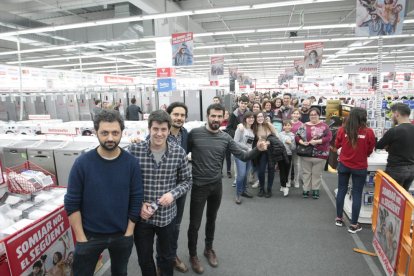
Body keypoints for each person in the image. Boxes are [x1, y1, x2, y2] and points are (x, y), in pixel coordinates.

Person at [187, 103, 267, 274]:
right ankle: (192, 255)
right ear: (207, 116)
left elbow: (244, 156)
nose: (216, 119)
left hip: (216, 186)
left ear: (223, 117)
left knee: (211, 219)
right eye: (213, 116)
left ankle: (208, 249)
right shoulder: (194, 134)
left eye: (219, 116)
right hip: (199, 187)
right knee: (194, 224)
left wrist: (258, 150)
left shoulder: (225, 138)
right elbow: (179, 155)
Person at [64, 109, 143, 276]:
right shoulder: (82, 163)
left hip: (121, 235)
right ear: (96, 133)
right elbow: (72, 202)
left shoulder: (131, 164)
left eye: (115, 133)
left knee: (120, 272)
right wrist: (81, 238)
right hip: (89, 236)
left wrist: (129, 232)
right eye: (104, 133)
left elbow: (136, 199)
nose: (110, 138)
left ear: (122, 132)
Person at [128, 110, 192, 276]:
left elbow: (187, 181)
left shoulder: (178, 153)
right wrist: (139, 204)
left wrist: (173, 194)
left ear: (169, 130)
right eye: (155, 129)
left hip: (167, 217)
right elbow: (125, 183)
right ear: (149, 129)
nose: (159, 133)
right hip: (143, 217)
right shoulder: (135, 151)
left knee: (166, 257)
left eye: (163, 129)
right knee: (144, 257)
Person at [335, 108, 376, 234]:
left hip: (344, 164)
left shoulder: (343, 130)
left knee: (341, 189)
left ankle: (339, 218)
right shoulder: (368, 132)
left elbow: (337, 145)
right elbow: (370, 149)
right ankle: (353, 224)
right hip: (360, 166)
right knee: (357, 193)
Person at [163, 102, 191, 273]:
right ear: (169, 115)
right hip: (163, 188)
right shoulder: (160, 133)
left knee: (176, 224)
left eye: (182, 115)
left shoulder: (186, 134)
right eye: (176, 114)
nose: (179, 118)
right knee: (162, 225)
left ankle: (172, 255)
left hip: (180, 186)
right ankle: (162, 260)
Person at [296, 108, 332, 199]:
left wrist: (318, 141)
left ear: (318, 115)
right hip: (306, 153)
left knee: (317, 173)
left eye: (315, 114)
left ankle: (316, 189)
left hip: (320, 155)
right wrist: (301, 142)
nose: (313, 116)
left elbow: (329, 138)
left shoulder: (324, 126)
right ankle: (306, 189)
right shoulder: (304, 125)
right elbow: (297, 136)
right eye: (311, 114)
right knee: (306, 173)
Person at [377, 103, 414, 191]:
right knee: (403, 198)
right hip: (411, 169)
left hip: (396, 169)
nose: (391, 116)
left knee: (392, 198)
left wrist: (388, 147)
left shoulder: (394, 131)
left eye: (392, 114)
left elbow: (379, 145)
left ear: (397, 114)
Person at [254, 111, 278, 197]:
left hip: (271, 150)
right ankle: (261, 189)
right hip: (261, 151)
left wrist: (268, 141)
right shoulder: (255, 127)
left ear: (264, 117)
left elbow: (276, 136)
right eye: (258, 117)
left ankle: (269, 189)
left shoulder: (268, 125)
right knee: (261, 171)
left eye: (261, 117)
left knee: (271, 170)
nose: (260, 118)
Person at [234, 111, 256, 204]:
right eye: (249, 117)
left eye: (252, 118)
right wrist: (247, 148)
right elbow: (235, 142)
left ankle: (244, 191)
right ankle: (238, 195)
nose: (251, 119)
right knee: (241, 175)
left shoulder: (253, 130)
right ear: (245, 119)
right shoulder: (240, 128)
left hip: (249, 155)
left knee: (246, 174)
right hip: (240, 154)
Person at [278, 120, 296, 197]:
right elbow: (278, 144)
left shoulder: (293, 135)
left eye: (289, 125)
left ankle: (283, 184)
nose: (287, 127)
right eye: (285, 125)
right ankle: (284, 186)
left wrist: (290, 143)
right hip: (281, 154)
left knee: (286, 170)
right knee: (281, 170)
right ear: (283, 126)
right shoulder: (280, 134)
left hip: (288, 155)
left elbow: (294, 147)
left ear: (291, 127)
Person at [289, 109, 303, 188]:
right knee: (289, 164)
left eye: (297, 114)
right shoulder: (288, 122)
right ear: (292, 114)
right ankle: (288, 180)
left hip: (297, 147)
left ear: (299, 115)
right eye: (294, 113)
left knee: (297, 164)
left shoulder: (301, 124)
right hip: (288, 147)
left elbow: (302, 136)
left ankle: (296, 180)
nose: (296, 115)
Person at [220, 110, 233, 180]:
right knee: (221, 158)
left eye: (227, 114)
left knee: (228, 157)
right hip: (220, 142)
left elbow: (231, 131)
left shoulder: (229, 122)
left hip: (228, 142)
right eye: (224, 114)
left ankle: (228, 171)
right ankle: (220, 171)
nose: (226, 115)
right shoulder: (220, 122)